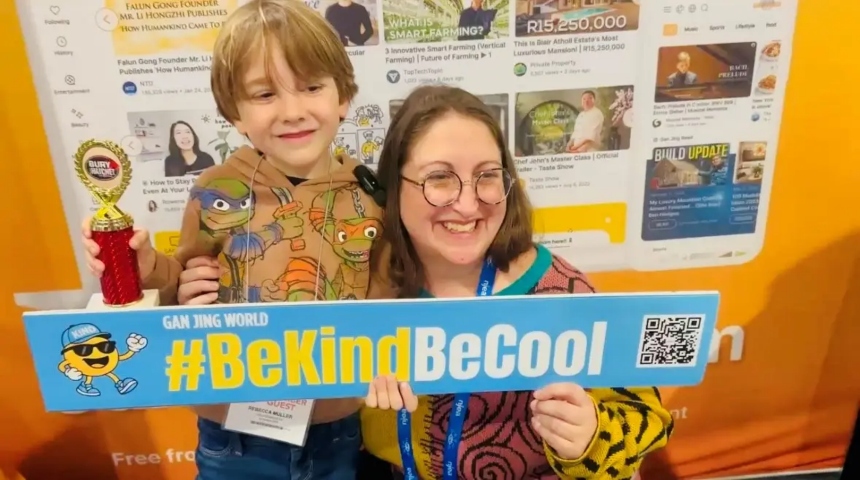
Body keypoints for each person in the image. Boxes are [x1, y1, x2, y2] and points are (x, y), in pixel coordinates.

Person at [177, 86, 673, 479]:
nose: (467, 202)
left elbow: (646, 419)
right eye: (439, 177)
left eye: (487, 175)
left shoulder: (561, 294)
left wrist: (591, 437)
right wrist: (202, 289)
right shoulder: (366, 283)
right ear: (395, 188)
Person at [79, 1, 383, 478]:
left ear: (343, 96)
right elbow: (183, 277)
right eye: (264, 94)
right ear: (234, 113)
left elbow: (389, 300)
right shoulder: (218, 189)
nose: (292, 110)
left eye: (311, 87)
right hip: (233, 432)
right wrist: (144, 269)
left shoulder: (372, 197)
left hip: (335, 428)